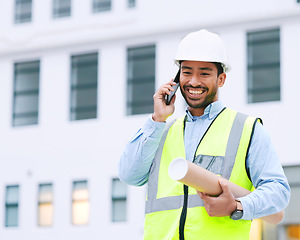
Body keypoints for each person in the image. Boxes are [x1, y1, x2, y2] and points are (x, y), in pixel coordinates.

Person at [119, 29, 290, 240]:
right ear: (176, 77)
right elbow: (129, 175)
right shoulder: (161, 131)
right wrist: (157, 119)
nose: (193, 82)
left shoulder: (247, 129)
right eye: (187, 72)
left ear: (221, 79)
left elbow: (279, 193)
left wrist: (238, 206)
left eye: (204, 73)